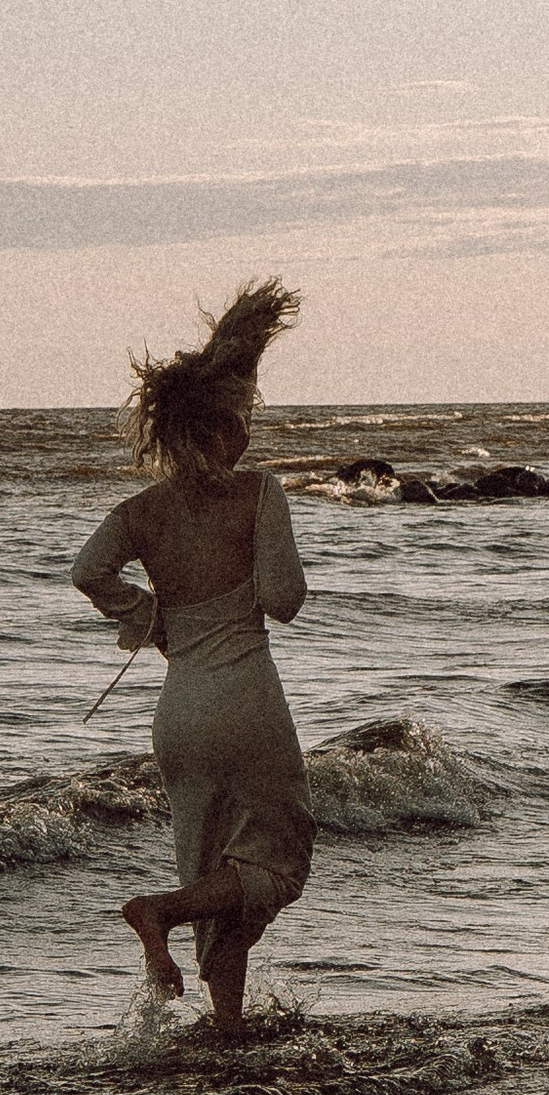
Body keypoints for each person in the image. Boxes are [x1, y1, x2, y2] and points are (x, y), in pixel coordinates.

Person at [70, 278, 314, 1035]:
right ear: (219, 429)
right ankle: (158, 912)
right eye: (243, 420)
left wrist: (150, 616)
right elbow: (284, 600)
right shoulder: (259, 492)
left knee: (214, 866)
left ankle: (229, 1025)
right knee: (276, 862)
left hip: (178, 716)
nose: (248, 432)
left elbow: (87, 573)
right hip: (246, 703)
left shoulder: (140, 512)